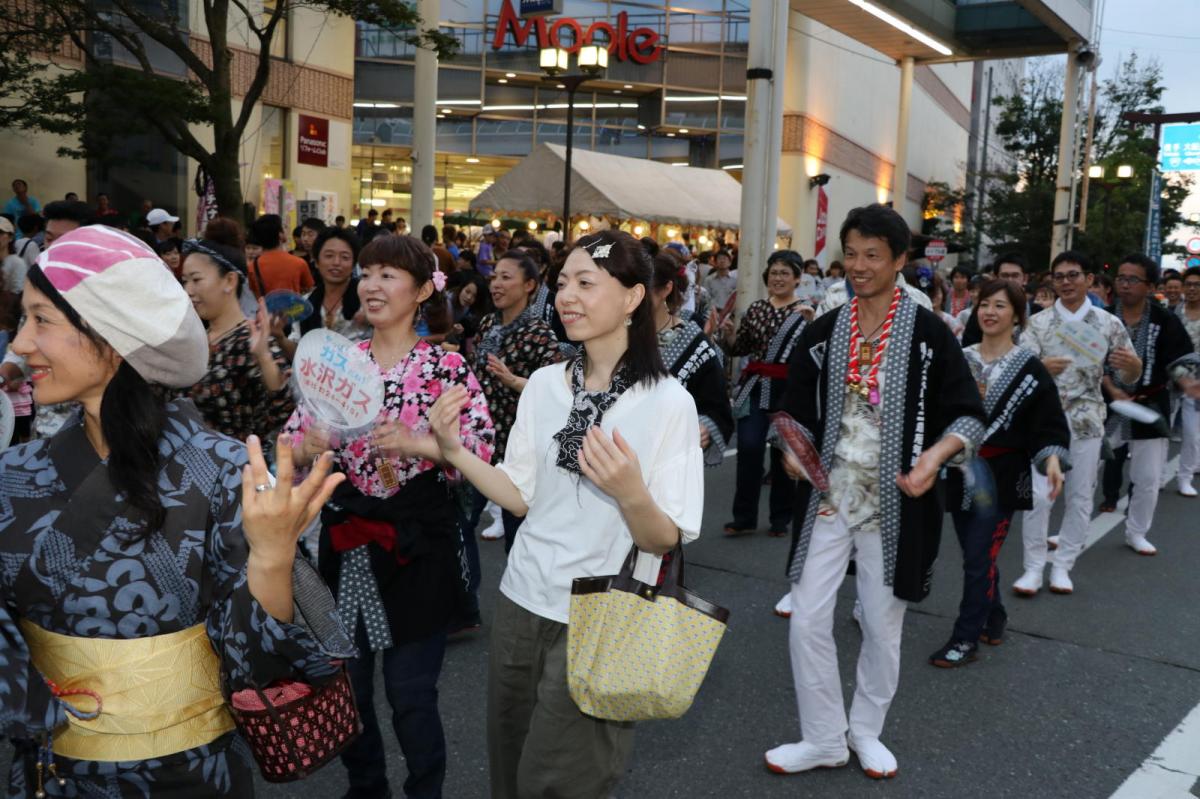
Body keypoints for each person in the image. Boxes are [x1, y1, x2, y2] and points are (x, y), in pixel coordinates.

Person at [0, 224, 352, 797]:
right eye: (23, 319)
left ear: (113, 335)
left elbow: (267, 670)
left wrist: (270, 558)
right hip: (50, 775)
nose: (19, 343)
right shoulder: (13, 474)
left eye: (42, 320)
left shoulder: (224, 471)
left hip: (189, 776)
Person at [425, 229, 702, 799]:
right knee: (510, 768)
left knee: (555, 783)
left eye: (586, 283)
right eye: (562, 283)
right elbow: (521, 494)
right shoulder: (547, 385)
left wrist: (629, 492)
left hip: (603, 614)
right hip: (522, 597)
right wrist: (454, 451)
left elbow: (664, 537)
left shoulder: (668, 401)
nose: (566, 297)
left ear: (631, 298)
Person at [765, 204, 986, 779]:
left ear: (900, 261)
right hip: (829, 499)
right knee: (809, 619)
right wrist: (793, 451)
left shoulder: (930, 333)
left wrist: (934, 459)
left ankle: (865, 731)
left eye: (873, 256)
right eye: (853, 254)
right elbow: (791, 412)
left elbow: (968, 416)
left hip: (897, 503)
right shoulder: (826, 328)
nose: (859, 267)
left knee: (884, 629)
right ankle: (822, 737)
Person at [284, 233, 495, 799]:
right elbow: (292, 442)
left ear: (424, 289)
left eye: (388, 275)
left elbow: (481, 448)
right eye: (367, 272)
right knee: (349, 683)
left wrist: (420, 443)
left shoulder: (446, 365)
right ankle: (367, 786)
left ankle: (425, 789)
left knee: (409, 691)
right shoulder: (338, 362)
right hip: (349, 543)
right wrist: (309, 445)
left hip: (416, 545)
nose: (372, 285)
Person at [930, 279, 1070, 667]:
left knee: (978, 555)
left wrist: (1053, 459)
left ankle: (965, 638)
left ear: (1017, 316)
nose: (989, 312)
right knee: (974, 553)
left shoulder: (1029, 368)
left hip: (1003, 475)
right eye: (984, 304)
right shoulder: (960, 358)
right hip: (962, 469)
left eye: (1000, 306)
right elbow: (939, 411)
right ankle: (995, 616)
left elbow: (1048, 423)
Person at [1014, 250, 1142, 595]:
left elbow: (1130, 373)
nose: (1066, 282)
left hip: (1087, 417)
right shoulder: (1037, 323)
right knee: (1040, 497)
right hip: (1044, 418)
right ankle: (1033, 567)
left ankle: (1063, 565)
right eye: (1059, 277)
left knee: (1080, 495)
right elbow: (1019, 369)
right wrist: (1041, 367)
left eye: (1074, 275)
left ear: (1089, 279)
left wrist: (1131, 366)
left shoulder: (1108, 323)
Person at [1098, 254, 1200, 555]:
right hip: (1105, 403)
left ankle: (1136, 531)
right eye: (1121, 278)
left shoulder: (1164, 320)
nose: (1124, 285)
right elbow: (1090, 361)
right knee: (1086, 469)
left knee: (1147, 476)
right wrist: (1111, 387)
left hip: (1149, 404)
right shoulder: (1103, 317)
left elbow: (1179, 360)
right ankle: (1070, 532)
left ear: (1150, 286)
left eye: (1132, 279)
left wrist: (1186, 382)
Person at [469, 250, 563, 547]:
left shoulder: (539, 333)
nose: (496, 283)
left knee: (519, 538)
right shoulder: (487, 323)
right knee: (459, 527)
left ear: (529, 285)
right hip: (477, 443)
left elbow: (557, 391)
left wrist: (514, 381)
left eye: (506, 277)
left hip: (516, 451)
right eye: (494, 276)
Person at [179, 234, 295, 447]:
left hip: (235, 471)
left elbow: (283, 413)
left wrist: (264, 357)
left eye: (196, 280)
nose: (188, 290)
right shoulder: (194, 337)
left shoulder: (252, 341)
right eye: (185, 281)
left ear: (230, 281)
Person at [721, 249, 805, 537]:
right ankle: (743, 516)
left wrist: (814, 322)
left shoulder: (806, 312)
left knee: (784, 452)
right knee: (749, 446)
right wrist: (729, 335)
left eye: (785, 273)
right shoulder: (756, 309)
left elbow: (815, 356)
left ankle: (781, 518)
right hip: (756, 387)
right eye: (773, 273)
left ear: (797, 278)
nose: (778, 278)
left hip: (789, 391)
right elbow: (739, 348)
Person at [651, 251, 733, 466]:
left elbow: (717, 407)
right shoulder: (617, 334)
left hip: (670, 460)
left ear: (666, 289)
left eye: (641, 286)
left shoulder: (694, 342)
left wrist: (704, 427)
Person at [961, 252, 1030, 346]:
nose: (1010, 280)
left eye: (1015, 276)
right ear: (995, 278)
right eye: (1005, 276)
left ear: (1025, 278)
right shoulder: (984, 310)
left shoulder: (1037, 311)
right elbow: (969, 342)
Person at [247, 214, 314, 298]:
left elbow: (255, 295)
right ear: (280, 235)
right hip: (294, 310)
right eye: (284, 228)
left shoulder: (252, 267)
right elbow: (310, 291)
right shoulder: (299, 263)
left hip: (266, 310)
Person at [1177, 267, 1200, 496]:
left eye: (1197, 285)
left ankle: (1185, 477)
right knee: (1161, 433)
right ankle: (1157, 476)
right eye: (1189, 284)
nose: (1192, 289)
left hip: (1196, 385)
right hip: (1171, 380)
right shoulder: (1175, 313)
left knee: (1192, 434)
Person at [702, 248, 738, 315]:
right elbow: (705, 298)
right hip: (713, 314)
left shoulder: (736, 280)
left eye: (724, 258)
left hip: (730, 315)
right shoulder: (709, 280)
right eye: (719, 259)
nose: (722, 261)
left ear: (730, 263)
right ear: (715, 263)